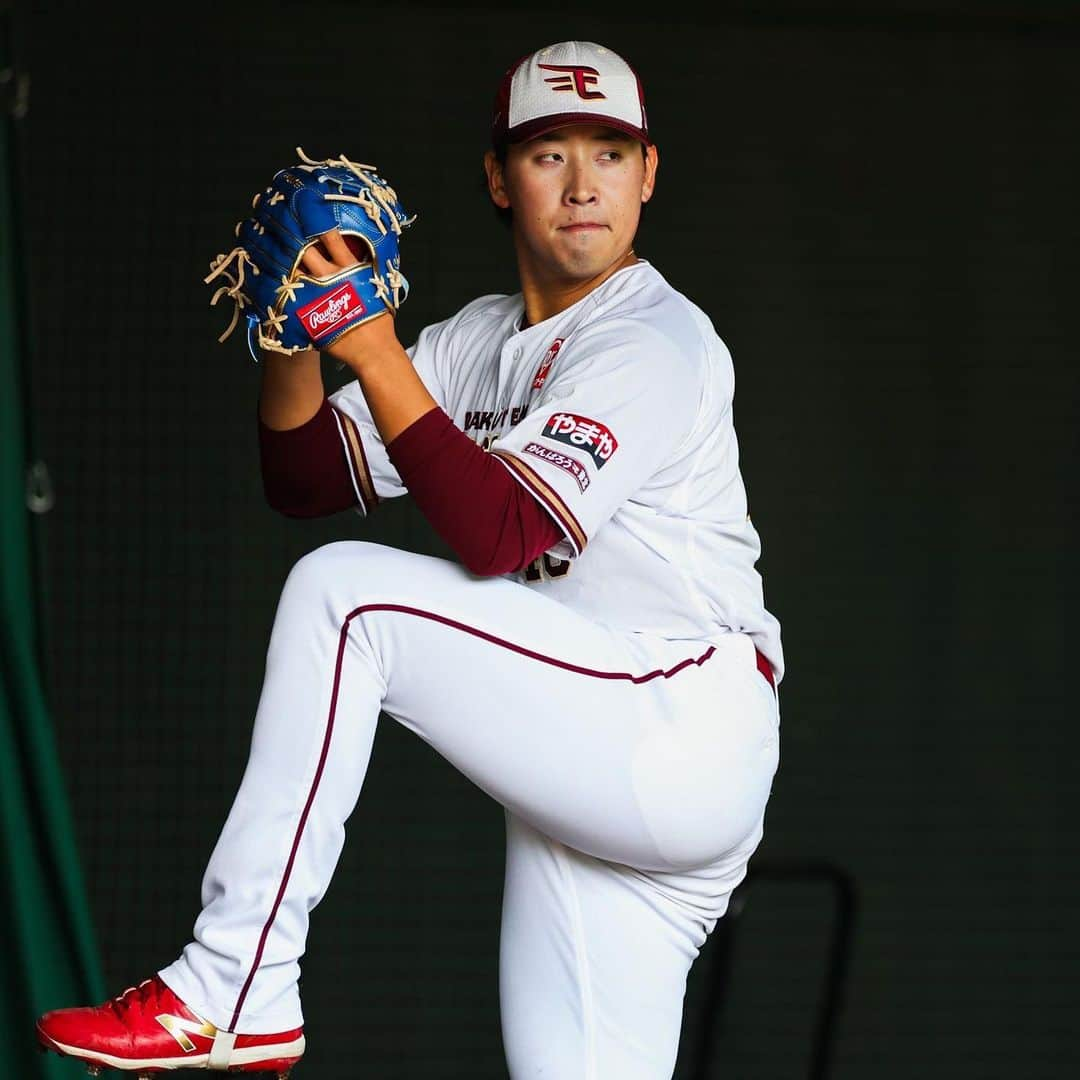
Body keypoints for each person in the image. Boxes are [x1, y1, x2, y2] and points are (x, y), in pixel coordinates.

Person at [35, 39, 783, 1079]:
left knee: (347, 602)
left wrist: (375, 345)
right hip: (595, 765)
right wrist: (295, 329)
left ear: (647, 175)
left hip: (678, 726)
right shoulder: (474, 341)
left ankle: (235, 984)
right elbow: (304, 477)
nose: (580, 185)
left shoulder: (654, 341)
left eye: (609, 153)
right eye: (546, 154)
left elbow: (500, 534)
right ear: (496, 176)